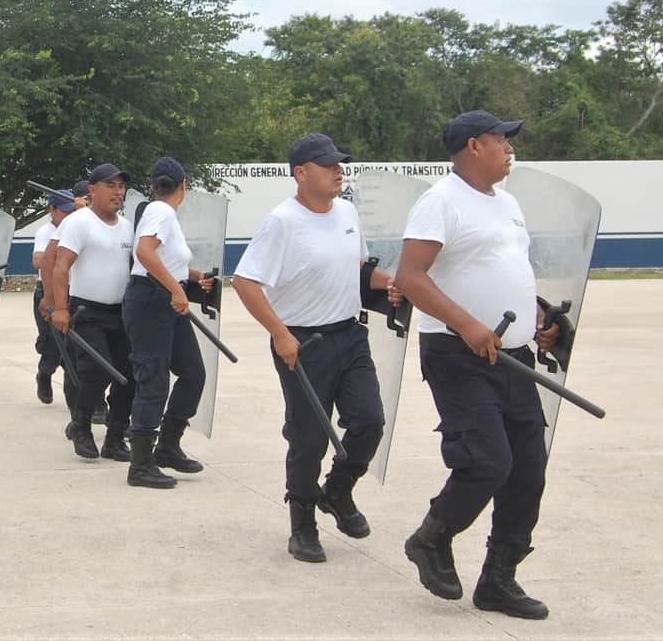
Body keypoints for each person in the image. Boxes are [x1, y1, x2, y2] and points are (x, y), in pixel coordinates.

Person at [394, 110, 558, 619]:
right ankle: (431, 538)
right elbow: (411, 277)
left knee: (528, 470)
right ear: (473, 145)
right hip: (457, 354)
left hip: (513, 356)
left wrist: (539, 317)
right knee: (488, 461)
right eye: (500, 139)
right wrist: (467, 324)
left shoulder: (507, 203)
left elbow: (510, 268)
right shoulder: (440, 201)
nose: (509, 148)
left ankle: (498, 581)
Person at [232, 134, 400, 563]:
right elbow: (246, 282)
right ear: (301, 173)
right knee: (309, 436)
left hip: (349, 335)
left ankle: (338, 491)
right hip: (302, 343)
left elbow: (360, 269)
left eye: (340, 163)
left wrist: (394, 284)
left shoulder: (346, 211)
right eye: (328, 165)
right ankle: (302, 522)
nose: (338, 170)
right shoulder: (282, 222)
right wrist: (280, 333)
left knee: (369, 421)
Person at [121, 157, 215, 489]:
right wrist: (177, 289)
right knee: (154, 380)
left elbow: (161, 257)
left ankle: (168, 446)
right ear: (184, 185)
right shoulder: (161, 211)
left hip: (162, 300)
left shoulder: (163, 215)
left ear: (153, 184)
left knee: (193, 373)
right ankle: (141, 465)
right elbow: (144, 253)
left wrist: (192, 277)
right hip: (151, 301)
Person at [49, 164, 136, 461]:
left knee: (129, 375)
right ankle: (82, 425)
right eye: (111, 185)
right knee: (96, 371)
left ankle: (115, 437)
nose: (118, 192)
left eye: (121, 186)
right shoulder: (79, 223)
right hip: (86, 311)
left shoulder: (127, 227)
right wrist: (60, 308)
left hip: (121, 313)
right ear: (92, 190)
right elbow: (61, 267)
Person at [37, 180, 107, 425]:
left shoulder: (109, 222)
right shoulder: (71, 223)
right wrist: (53, 300)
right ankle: (79, 415)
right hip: (68, 299)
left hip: (99, 301)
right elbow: (47, 260)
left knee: (100, 360)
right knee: (65, 357)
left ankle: (98, 405)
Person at [31, 189, 78, 404]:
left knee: (73, 349)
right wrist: (62, 255)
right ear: (52, 210)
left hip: (73, 293)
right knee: (53, 347)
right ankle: (44, 373)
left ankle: (84, 401)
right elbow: (39, 260)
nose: (68, 216)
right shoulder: (46, 231)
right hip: (48, 292)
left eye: (72, 211)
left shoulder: (79, 228)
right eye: (64, 211)